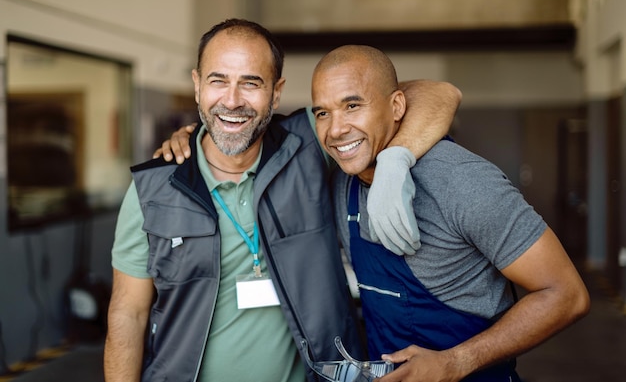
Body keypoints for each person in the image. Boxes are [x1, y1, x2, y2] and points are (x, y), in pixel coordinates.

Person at [104, 19, 461, 382]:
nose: (232, 99)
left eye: (251, 83)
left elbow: (440, 93)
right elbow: (127, 314)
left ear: (276, 93)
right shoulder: (154, 187)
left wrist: (393, 161)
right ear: (197, 86)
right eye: (218, 80)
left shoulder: (308, 144)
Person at [308, 45, 590, 382]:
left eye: (352, 106)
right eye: (323, 113)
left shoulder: (460, 181)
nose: (336, 129)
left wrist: (455, 362)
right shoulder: (345, 183)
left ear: (397, 106)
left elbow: (566, 295)